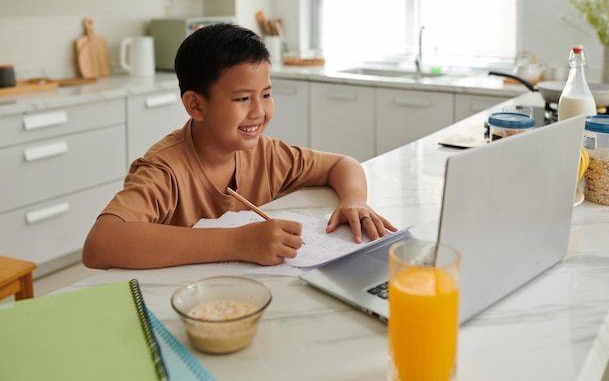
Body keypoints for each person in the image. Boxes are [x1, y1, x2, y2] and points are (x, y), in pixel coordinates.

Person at [82, 23, 397, 270]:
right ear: (196, 105)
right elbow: (100, 244)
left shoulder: (265, 153)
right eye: (243, 98)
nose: (259, 111)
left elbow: (342, 164)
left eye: (266, 94)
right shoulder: (165, 170)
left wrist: (355, 200)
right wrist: (237, 242)